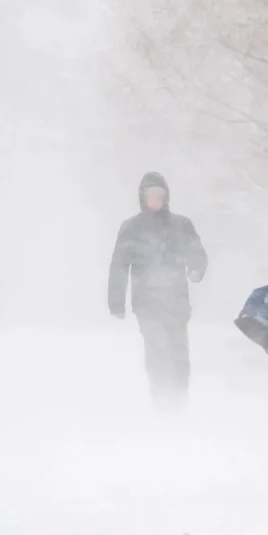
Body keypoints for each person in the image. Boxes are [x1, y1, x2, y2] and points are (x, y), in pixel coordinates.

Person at [108, 172, 208, 413]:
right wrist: (116, 301)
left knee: (179, 354)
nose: (155, 199)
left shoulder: (181, 225)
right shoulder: (131, 228)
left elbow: (197, 253)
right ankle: (161, 400)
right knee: (157, 351)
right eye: (150, 195)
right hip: (147, 304)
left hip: (177, 303)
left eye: (159, 195)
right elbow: (119, 266)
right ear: (142, 197)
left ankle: (179, 400)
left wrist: (196, 270)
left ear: (166, 197)